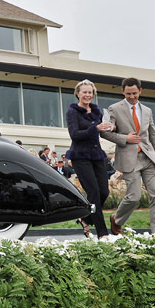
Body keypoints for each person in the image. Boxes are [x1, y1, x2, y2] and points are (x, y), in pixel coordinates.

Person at [101, 77, 155, 236]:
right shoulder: (114, 108)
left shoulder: (147, 110)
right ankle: (117, 219)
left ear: (140, 91)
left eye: (135, 93)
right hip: (129, 159)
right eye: (128, 93)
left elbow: (153, 136)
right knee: (133, 197)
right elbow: (105, 132)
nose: (132, 97)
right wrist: (125, 138)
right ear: (122, 91)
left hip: (149, 158)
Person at [65, 79, 114, 239]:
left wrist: (112, 127)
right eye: (84, 92)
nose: (87, 95)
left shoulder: (97, 111)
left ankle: (85, 218)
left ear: (93, 94)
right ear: (78, 94)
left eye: (89, 92)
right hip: (80, 156)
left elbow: (101, 131)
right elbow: (75, 134)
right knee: (93, 192)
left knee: (104, 192)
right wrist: (95, 128)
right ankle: (102, 233)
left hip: (97, 156)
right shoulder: (72, 111)